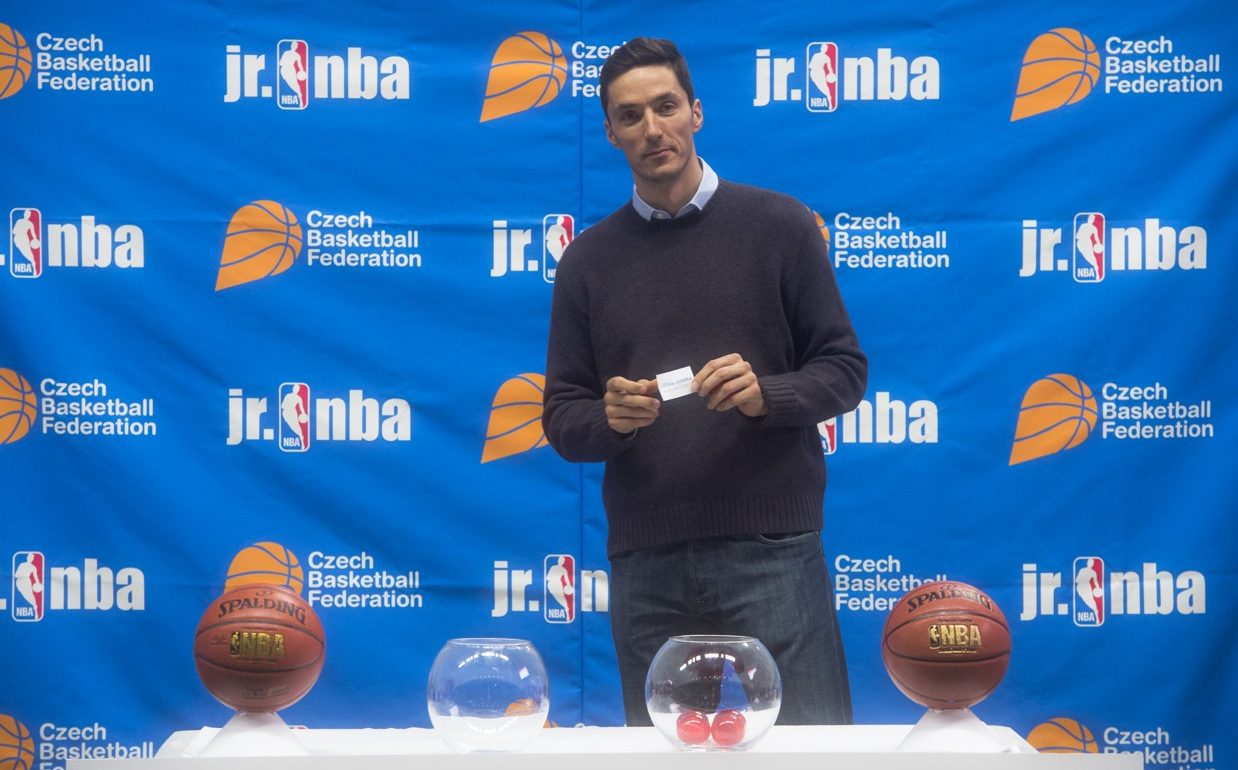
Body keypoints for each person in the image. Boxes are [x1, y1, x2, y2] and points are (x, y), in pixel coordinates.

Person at [542, 37, 867, 726]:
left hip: (773, 551)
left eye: (665, 107)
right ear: (610, 134)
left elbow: (844, 371)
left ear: (696, 112)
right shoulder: (587, 261)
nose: (651, 128)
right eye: (630, 116)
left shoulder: (781, 225)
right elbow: (563, 418)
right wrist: (610, 419)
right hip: (647, 559)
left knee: (815, 751)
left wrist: (767, 394)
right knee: (662, 758)